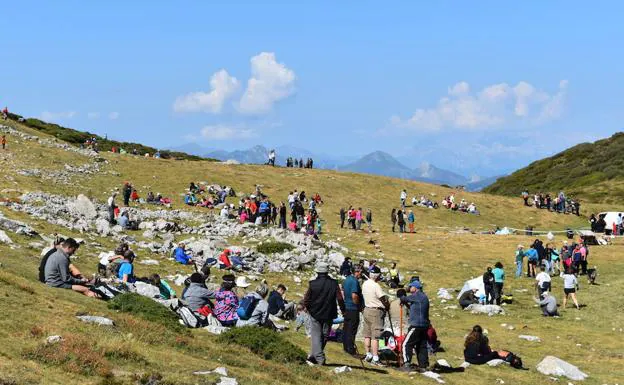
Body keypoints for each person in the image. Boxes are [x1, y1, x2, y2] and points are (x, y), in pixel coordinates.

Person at [303, 262, 345, 366]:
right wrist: (344, 311)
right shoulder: (334, 283)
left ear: (317, 271)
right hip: (329, 313)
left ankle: (317, 357)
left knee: (316, 335)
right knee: (325, 335)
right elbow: (339, 298)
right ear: (327, 272)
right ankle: (318, 357)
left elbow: (307, 299)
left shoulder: (312, 284)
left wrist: (308, 308)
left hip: (315, 313)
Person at [399, 279, 430, 372]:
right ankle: (423, 365)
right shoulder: (424, 296)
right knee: (421, 345)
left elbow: (404, 299)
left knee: (406, 344)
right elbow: (414, 307)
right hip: (424, 325)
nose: (409, 288)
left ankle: (406, 364)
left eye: (411, 286)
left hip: (416, 325)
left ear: (415, 288)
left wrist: (401, 295)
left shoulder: (416, 296)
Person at [361, 266, 390, 366]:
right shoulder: (376, 285)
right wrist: (387, 305)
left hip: (367, 309)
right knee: (376, 336)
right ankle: (375, 358)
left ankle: (368, 354)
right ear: (377, 275)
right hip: (376, 311)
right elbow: (382, 298)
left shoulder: (365, 283)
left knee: (367, 334)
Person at [342, 265, 363, 356]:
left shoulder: (347, 279)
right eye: (360, 272)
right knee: (352, 329)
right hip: (353, 308)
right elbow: (354, 295)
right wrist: (358, 305)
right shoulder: (354, 281)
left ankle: (346, 347)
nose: (361, 274)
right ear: (356, 272)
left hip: (347, 306)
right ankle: (351, 349)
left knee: (346, 328)